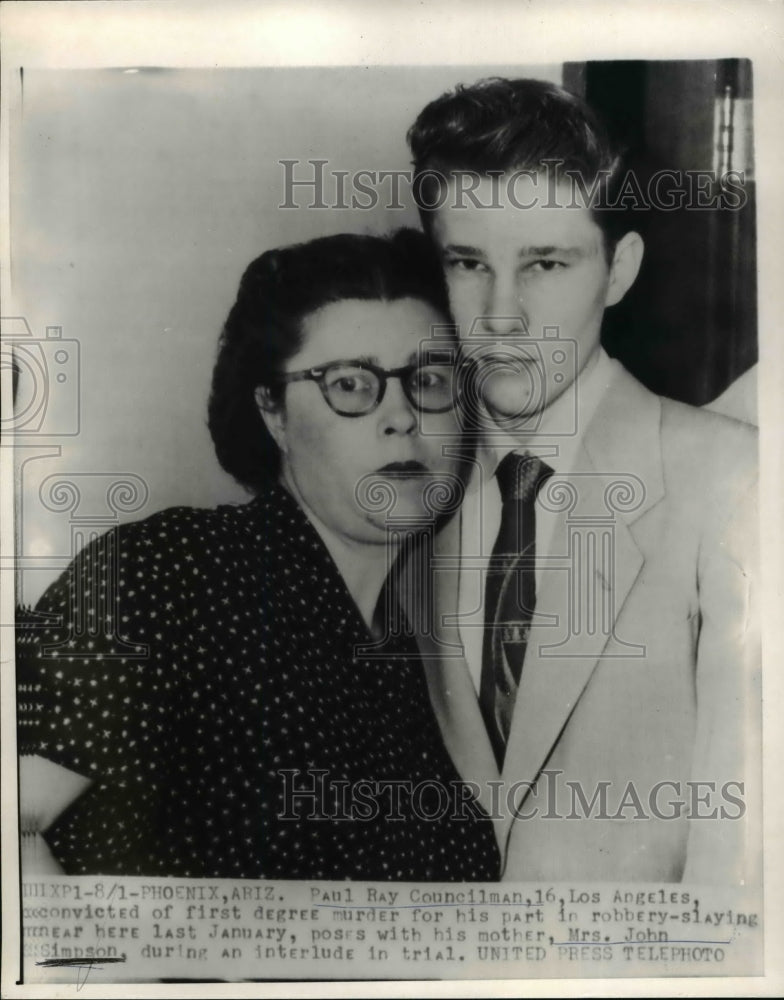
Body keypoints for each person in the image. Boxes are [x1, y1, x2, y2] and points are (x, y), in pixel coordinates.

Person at [15, 229, 501, 881]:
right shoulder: (169, 573)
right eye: (352, 384)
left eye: (431, 379)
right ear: (273, 411)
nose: (402, 417)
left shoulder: (438, 647)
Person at [402, 78, 760, 883]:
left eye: (546, 264)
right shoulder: (406, 484)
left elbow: (742, 872)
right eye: (468, 263)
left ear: (619, 270)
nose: (501, 316)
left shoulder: (731, 482)